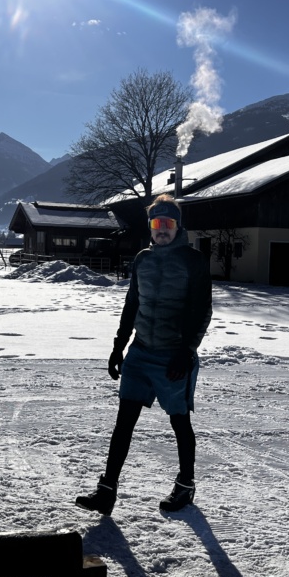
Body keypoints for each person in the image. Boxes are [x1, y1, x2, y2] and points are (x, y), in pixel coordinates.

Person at [76, 194, 212, 515]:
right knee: (124, 423)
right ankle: (106, 490)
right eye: (156, 223)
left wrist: (186, 352)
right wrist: (118, 345)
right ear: (150, 227)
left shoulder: (194, 261)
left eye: (168, 223)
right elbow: (131, 304)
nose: (161, 230)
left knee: (179, 422)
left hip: (173, 355)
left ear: (178, 226)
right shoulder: (142, 259)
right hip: (141, 351)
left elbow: (201, 311)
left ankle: (185, 486)